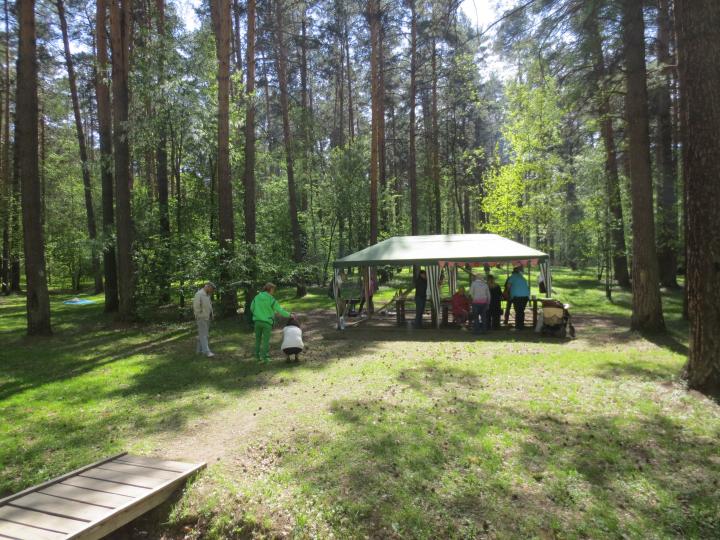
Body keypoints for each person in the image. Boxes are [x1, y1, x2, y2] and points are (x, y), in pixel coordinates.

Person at [251, 283, 291, 363]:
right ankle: (265, 358)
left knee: (258, 340)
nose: (274, 292)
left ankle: (257, 357)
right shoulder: (271, 299)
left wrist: (257, 314)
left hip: (257, 322)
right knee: (265, 341)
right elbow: (280, 310)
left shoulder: (257, 297)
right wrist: (290, 315)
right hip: (267, 323)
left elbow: (252, 308)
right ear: (271, 289)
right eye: (273, 290)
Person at [193, 282, 216, 357]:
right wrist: (200, 315)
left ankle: (198, 350)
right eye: (211, 289)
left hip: (207, 317)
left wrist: (211, 314)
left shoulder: (207, 294)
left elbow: (209, 305)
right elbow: (196, 307)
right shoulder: (199, 294)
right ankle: (206, 351)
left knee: (203, 334)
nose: (212, 291)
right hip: (202, 317)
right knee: (204, 335)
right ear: (208, 286)